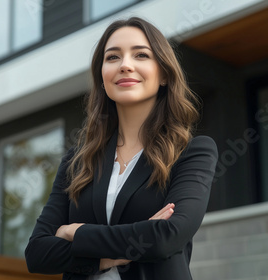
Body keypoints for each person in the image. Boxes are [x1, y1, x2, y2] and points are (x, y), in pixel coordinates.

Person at [24, 16, 218, 280]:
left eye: (141, 55)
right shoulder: (77, 161)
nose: (126, 65)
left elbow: (167, 237)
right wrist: (114, 255)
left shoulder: (191, 152)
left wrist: (76, 232)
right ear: (102, 79)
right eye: (113, 57)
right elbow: (37, 253)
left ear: (163, 74)